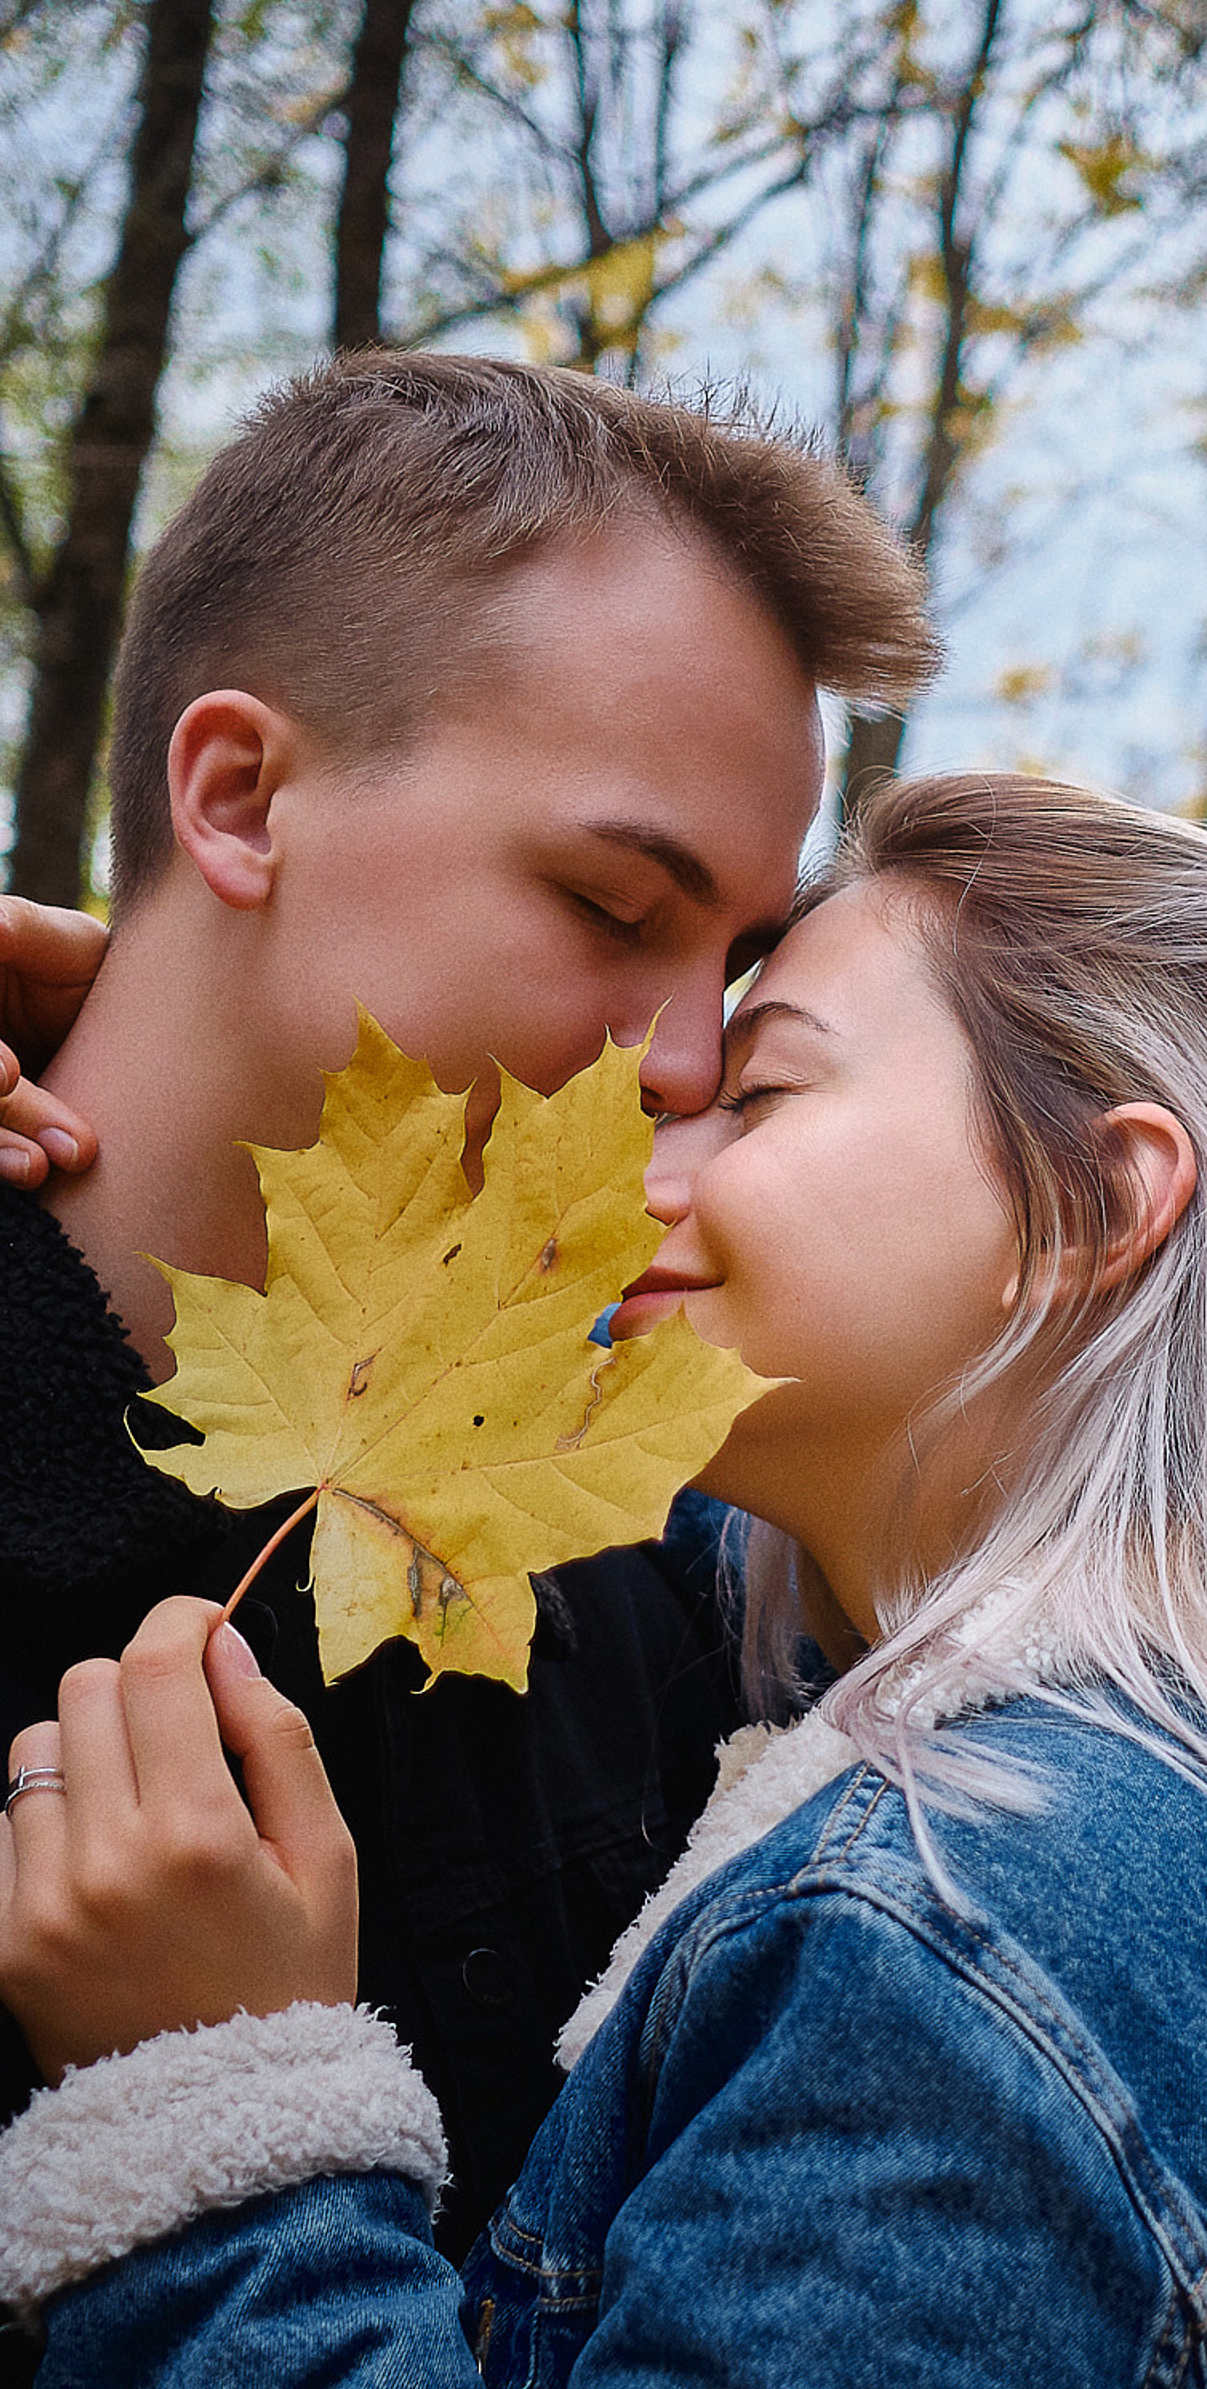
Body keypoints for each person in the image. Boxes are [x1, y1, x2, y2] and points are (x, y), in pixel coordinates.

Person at [0, 773, 1207, 2386]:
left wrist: (211, 2123)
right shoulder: (1165, 1806)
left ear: (1088, 1208)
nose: (630, 1163)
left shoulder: (960, 1931)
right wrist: (171, 1042)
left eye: (754, 1092)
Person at [0, 350, 939, 2316]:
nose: (689, 1061)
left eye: (737, 968)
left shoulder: (659, 1541)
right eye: (613, 903)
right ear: (242, 795)